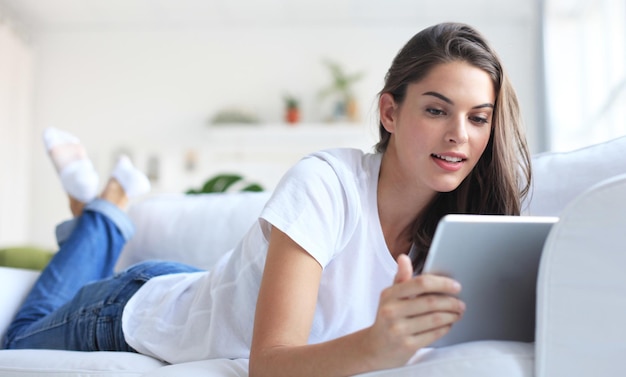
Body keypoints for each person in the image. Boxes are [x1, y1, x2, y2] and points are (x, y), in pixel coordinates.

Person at [4, 22, 531, 377]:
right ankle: (106, 213)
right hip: (132, 312)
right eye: (437, 110)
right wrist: (376, 345)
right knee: (19, 342)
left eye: (478, 117)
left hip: (200, 288)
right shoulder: (326, 183)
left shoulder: (463, 229)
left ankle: (94, 209)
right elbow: (269, 363)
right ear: (389, 113)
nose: (460, 135)